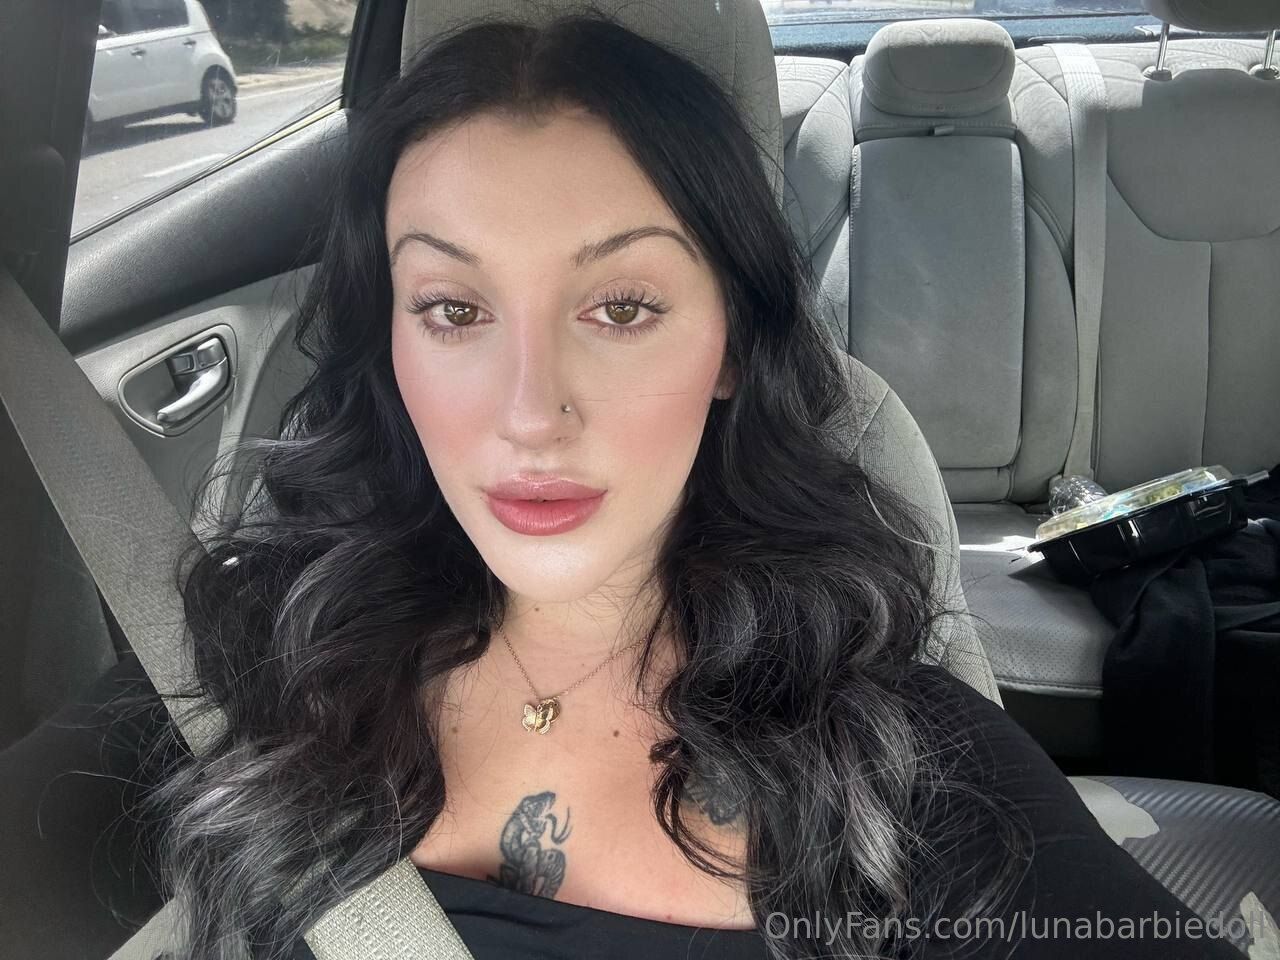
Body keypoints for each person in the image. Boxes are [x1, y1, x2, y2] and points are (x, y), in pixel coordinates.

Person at [3, 10, 1252, 960]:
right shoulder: (244, 659)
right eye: (452, 309)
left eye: (620, 308)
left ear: (729, 347)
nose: (529, 411)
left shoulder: (893, 759)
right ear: (388, 340)